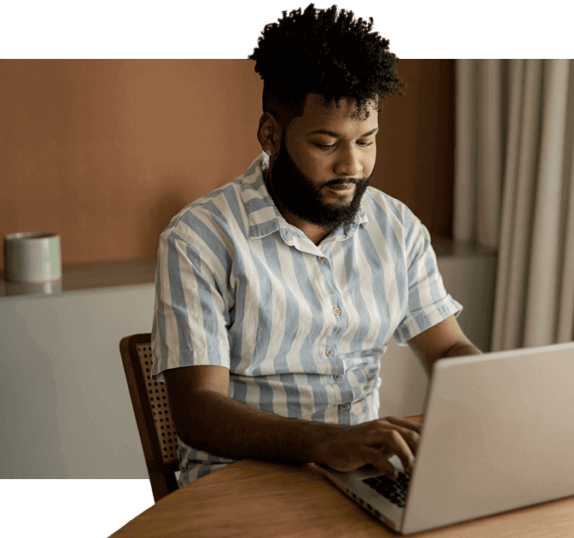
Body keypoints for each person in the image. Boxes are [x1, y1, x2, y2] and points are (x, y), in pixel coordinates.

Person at [150, 2, 481, 488]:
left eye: (366, 140)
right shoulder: (200, 237)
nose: (352, 165)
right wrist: (327, 443)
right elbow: (198, 410)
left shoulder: (398, 228)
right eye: (327, 144)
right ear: (271, 135)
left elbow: (449, 345)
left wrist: (492, 395)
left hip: (367, 476)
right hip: (242, 485)